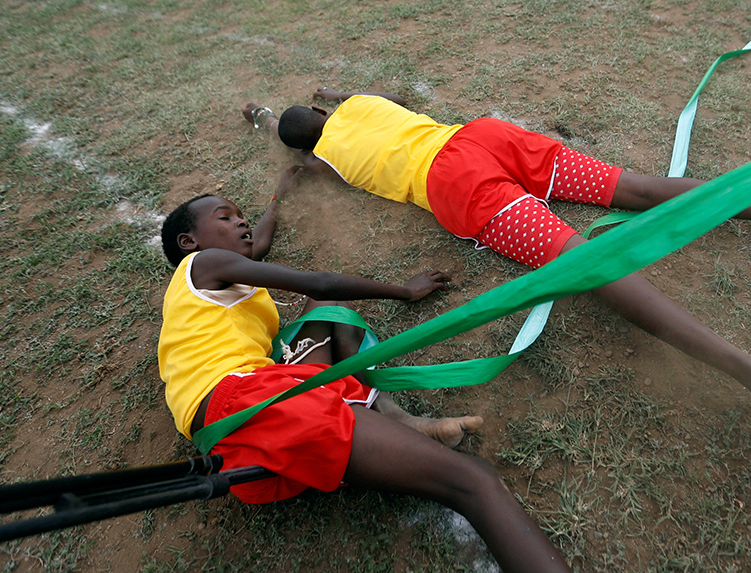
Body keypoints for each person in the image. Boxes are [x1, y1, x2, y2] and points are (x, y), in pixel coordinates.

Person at [240, 87, 751, 425]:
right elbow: (354, 98)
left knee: (585, 263)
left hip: (453, 186)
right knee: (641, 189)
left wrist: (265, 123)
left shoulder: (330, 162)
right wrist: (325, 99)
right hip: (484, 137)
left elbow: (308, 152)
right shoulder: (363, 104)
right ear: (325, 110)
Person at [158, 166, 571, 573]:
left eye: (240, 214)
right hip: (248, 404)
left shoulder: (209, 282)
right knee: (473, 480)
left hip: (238, 440)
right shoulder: (204, 263)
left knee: (328, 310)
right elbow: (319, 282)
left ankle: (393, 417)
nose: (241, 221)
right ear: (189, 242)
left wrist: (279, 192)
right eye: (225, 217)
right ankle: (389, 424)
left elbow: (260, 241)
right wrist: (404, 291)